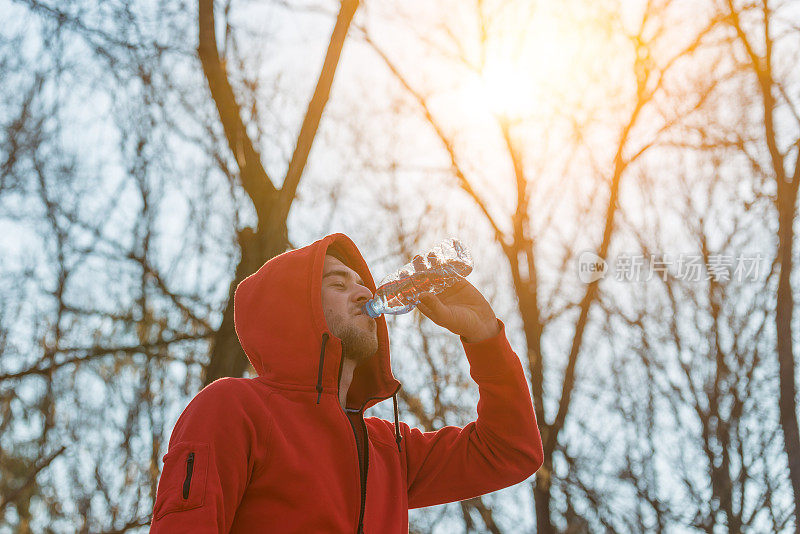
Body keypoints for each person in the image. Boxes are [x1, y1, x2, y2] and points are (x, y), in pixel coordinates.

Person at [150, 233, 542, 533]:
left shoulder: (390, 450)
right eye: (338, 284)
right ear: (294, 311)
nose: (365, 292)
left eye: (361, 283)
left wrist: (485, 335)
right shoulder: (234, 406)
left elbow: (510, 450)